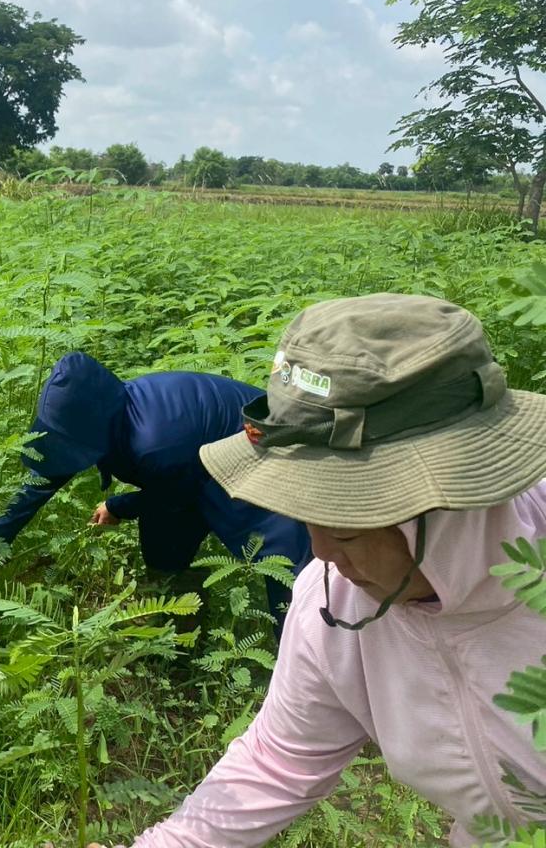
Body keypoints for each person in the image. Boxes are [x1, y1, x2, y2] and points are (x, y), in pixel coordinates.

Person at [99, 293, 546, 848]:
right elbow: (279, 760)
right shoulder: (331, 604)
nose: (323, 554)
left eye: (346, 526)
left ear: (452, 496)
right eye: (306, 518)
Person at [0, 353, 310, 627]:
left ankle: (296, 667)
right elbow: (47, 475)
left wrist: (118, 506)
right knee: (163, 542)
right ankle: (179, 615)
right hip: (195, 462)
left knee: (284, 564)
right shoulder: (107, 411)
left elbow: (173, 494)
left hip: (265, 454)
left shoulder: (152, 445)